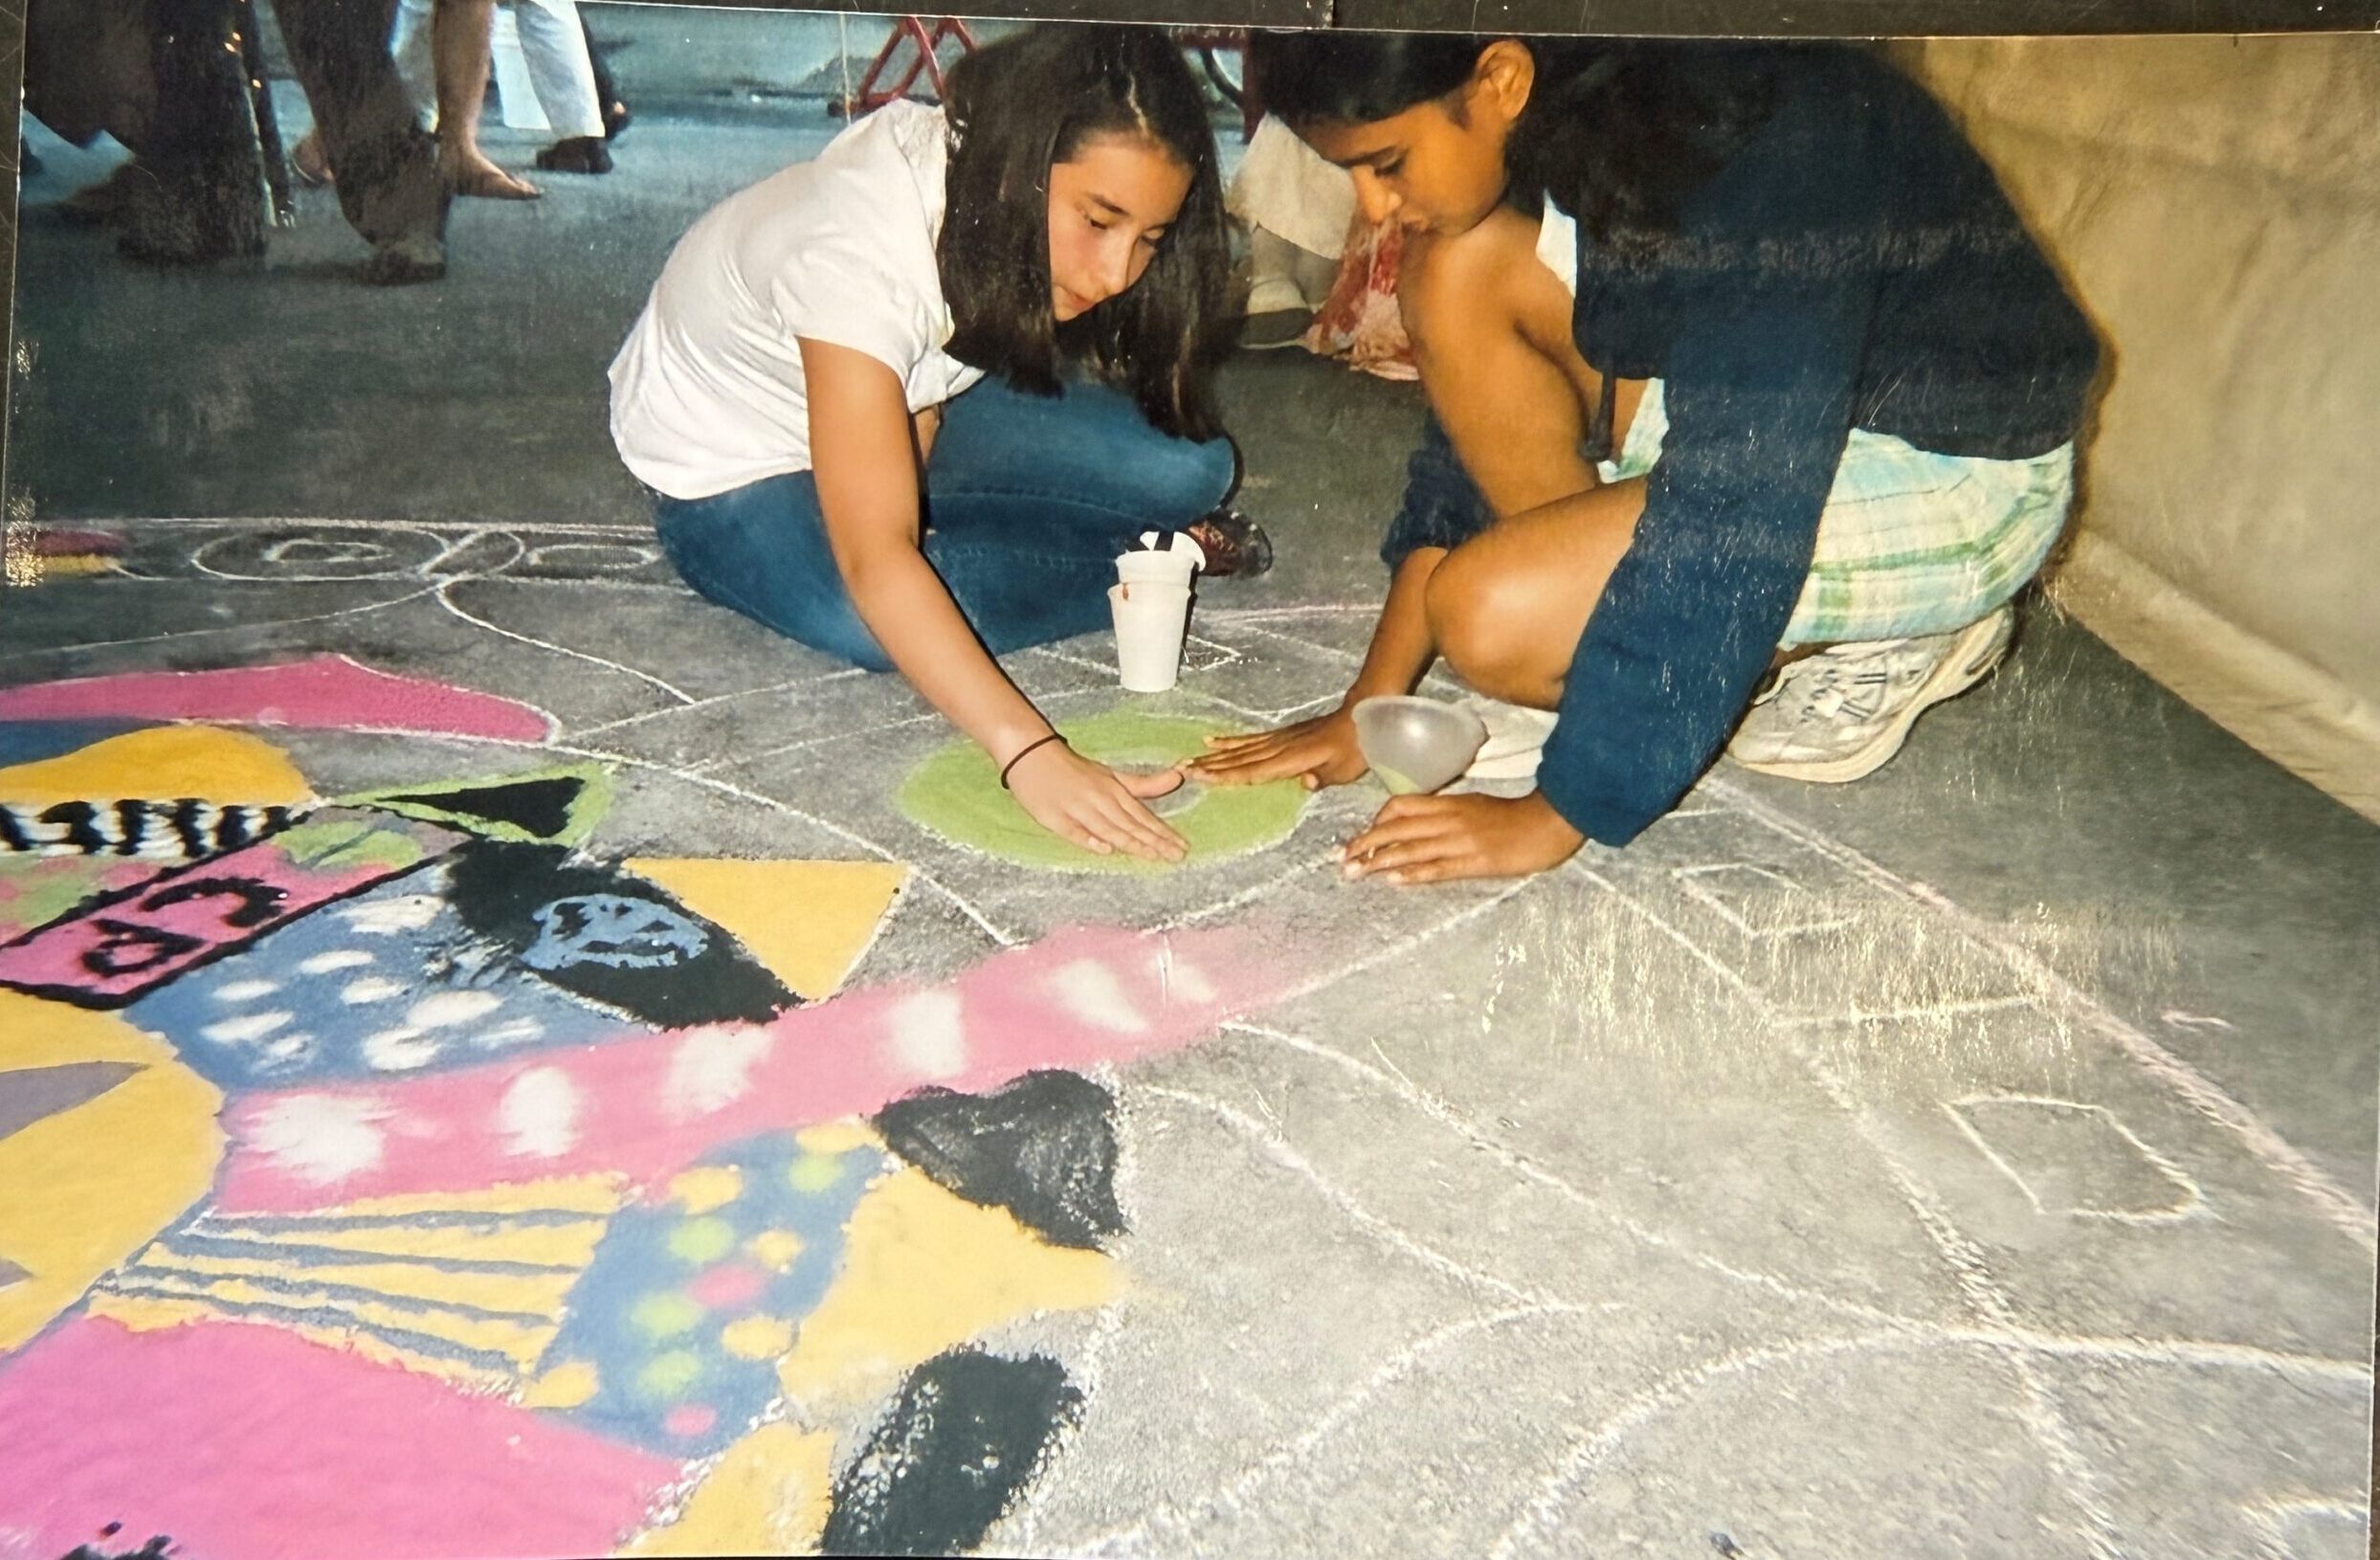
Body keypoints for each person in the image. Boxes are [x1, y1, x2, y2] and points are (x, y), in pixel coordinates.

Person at [1195, 34, 2099, 884]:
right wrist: (1370, 705)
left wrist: (1561, 809)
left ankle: (1903, 625)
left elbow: (1735, 493)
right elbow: (1468, 445)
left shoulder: (1784, 133)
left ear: (1501, 79)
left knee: (1486, 619)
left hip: (1955, 469)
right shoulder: (1592, 95)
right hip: (1799, 403)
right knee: (1451, 265)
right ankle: (1635, 637)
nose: (1372, 207)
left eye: (1385, 164)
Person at [610, 25, 1269, 864]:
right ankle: (1147, 564)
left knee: (1190, 467)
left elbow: (931, 381)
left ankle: (1134, 557)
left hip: (900, 401)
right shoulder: (856, 250)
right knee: (870, 615)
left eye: (1147, 238)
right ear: (1018, 161)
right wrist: (1029, 754)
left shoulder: (992, 197)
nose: (1113, 275)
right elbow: (876, 560)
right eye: (1098, 220)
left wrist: (906, 498)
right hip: (729, 467)